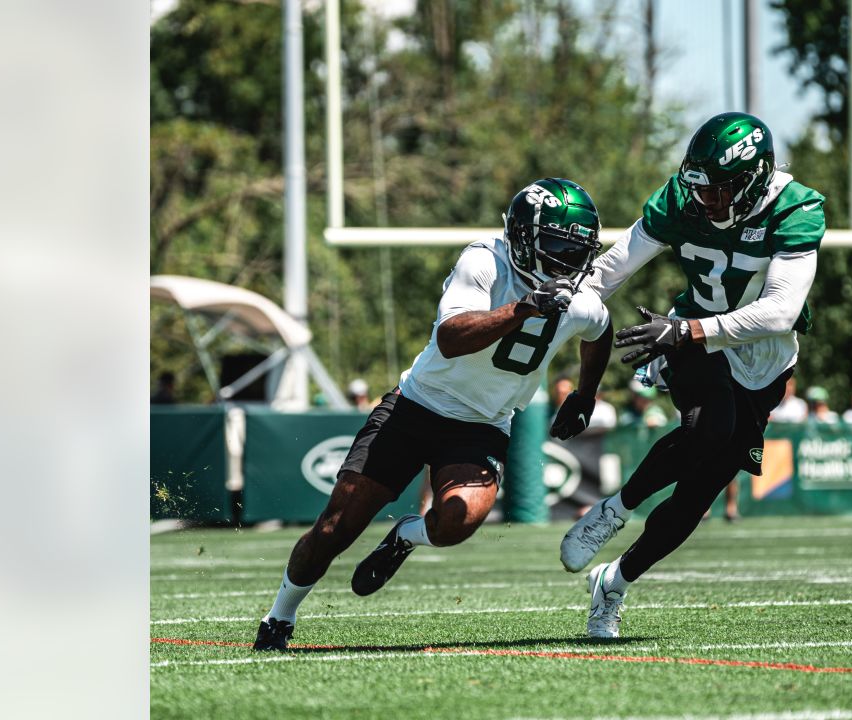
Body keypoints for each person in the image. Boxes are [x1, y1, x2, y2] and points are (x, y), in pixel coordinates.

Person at [254, 179, 612, 650]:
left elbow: (600, 330)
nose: (569, 260)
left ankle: (405, 536)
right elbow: (452, 336)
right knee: (335, 528)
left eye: (578, 248)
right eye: (559, 245)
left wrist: (585, 395)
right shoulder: (484, 260)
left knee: (457, 523)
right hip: (416, 407)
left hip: (483, 422)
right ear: (525, 238)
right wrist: (524, 307)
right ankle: (280, 615)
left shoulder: (578, 296)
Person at [557, 112, 825, 638]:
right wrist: (555, 316)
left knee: (701, 491)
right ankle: (615, 509)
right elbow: (609, 273)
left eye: (722, 190)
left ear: (755, 178)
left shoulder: (795, 208)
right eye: (701, 187)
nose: (707, 201)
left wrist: (689, 333)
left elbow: (778, 312)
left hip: (761, 356)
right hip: (691, 334)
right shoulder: (682, 199)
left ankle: (613, 582)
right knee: (710, 426)